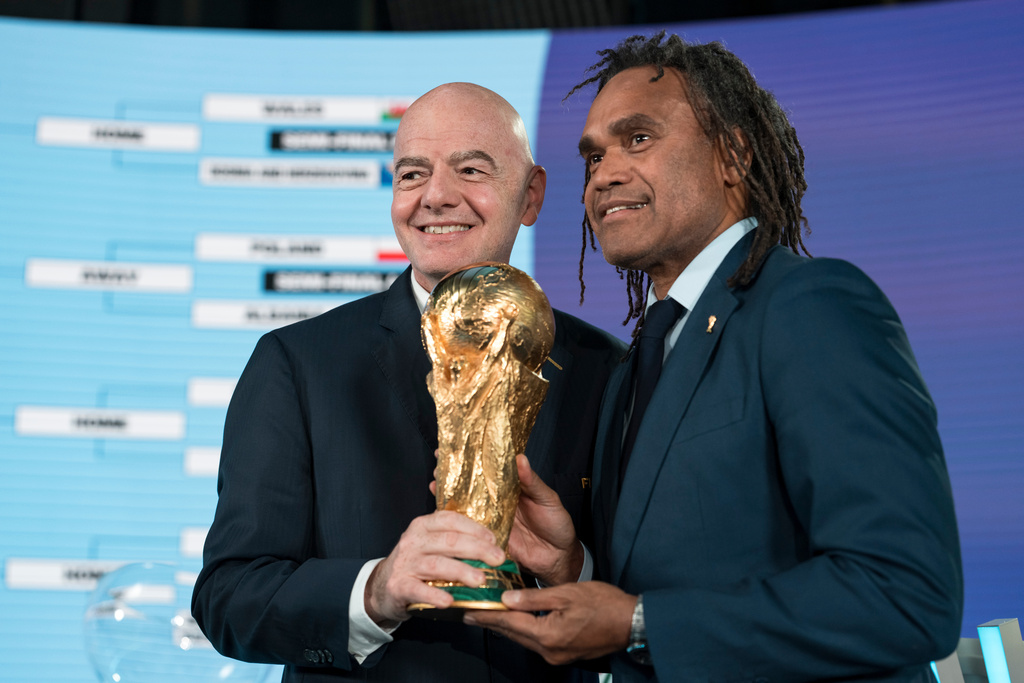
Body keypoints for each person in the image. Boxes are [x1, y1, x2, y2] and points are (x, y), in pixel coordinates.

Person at [466, 33, 964, 683]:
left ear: (732, 154)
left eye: (638, 138)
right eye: (594, 156)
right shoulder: (637, 359)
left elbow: (908, 593)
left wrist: (640, 622)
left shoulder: (811, 308)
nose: (604, 174)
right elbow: (656, 586)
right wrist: (574, 568)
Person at [191, 82, 625, 683]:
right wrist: (374, 590)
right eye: (411, 174)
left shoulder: (605, 367)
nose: (437, 197)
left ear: (531, 196)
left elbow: (647, 598)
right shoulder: (297, 362)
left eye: (471, 170)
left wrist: (571, 569)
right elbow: (229, 597)